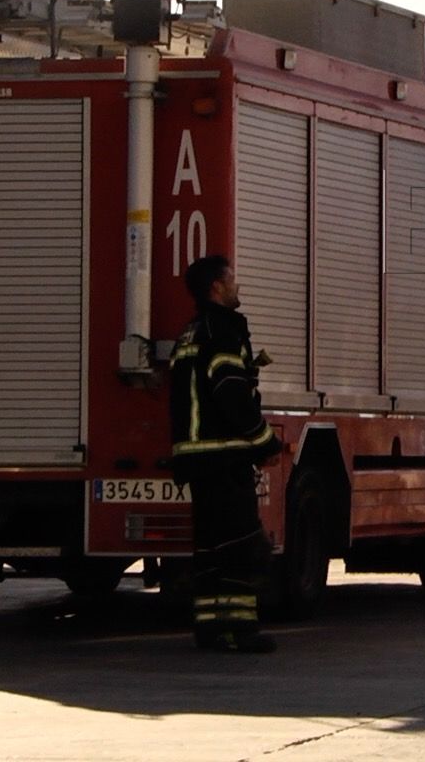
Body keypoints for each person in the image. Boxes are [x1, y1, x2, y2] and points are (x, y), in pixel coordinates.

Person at [170, 254, 283, 653]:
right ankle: (240, 630)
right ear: (216, 288)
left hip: (199, 461)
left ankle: (211, 629)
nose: (238, 287)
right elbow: (230, 392)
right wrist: (265, 441)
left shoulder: (192, 332)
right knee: (241, 547)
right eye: (232, 280)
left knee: (211, 549)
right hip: (223, 459)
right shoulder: (223, 331)